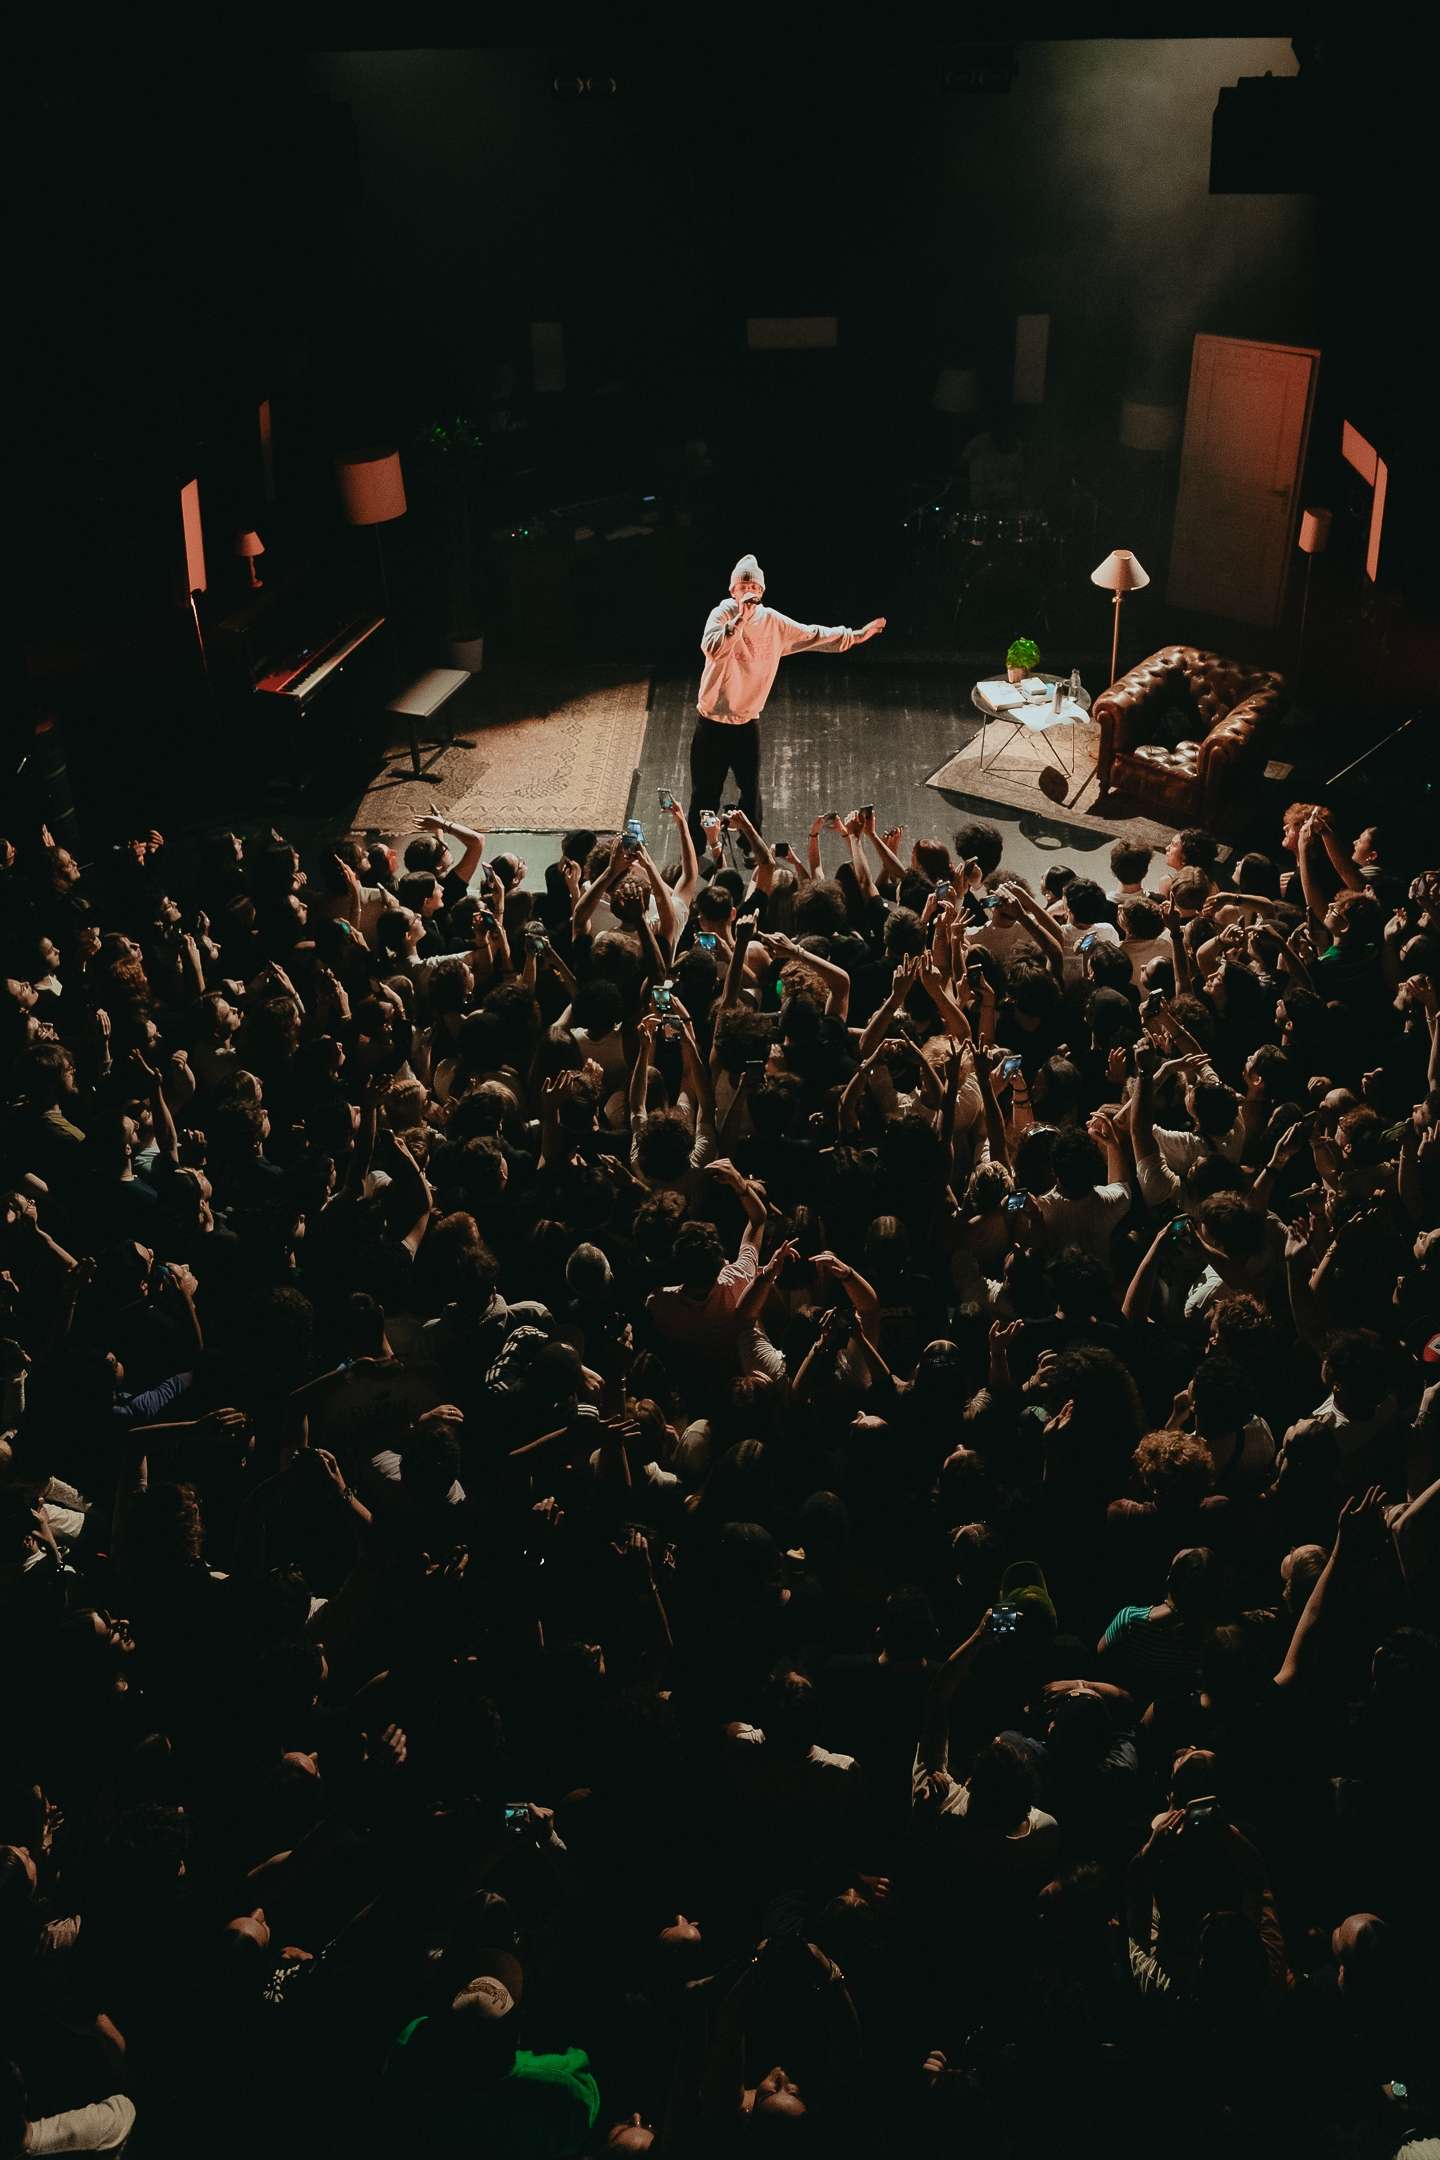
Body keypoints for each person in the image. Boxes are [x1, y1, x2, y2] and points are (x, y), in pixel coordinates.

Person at [689, 553, 885, 842]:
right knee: (705, 793)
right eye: (743, 586)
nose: (749, 591)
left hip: (746, 723)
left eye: (753, 587)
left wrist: (855, 636)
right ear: (733, 591)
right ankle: (695, 849)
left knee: (751, 792)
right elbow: (713, 649)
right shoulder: (721, 614)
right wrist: (740, 620)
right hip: (711, 722)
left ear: (762, 591)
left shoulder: (773, 622)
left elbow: (814, 635)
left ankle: (751, 847)